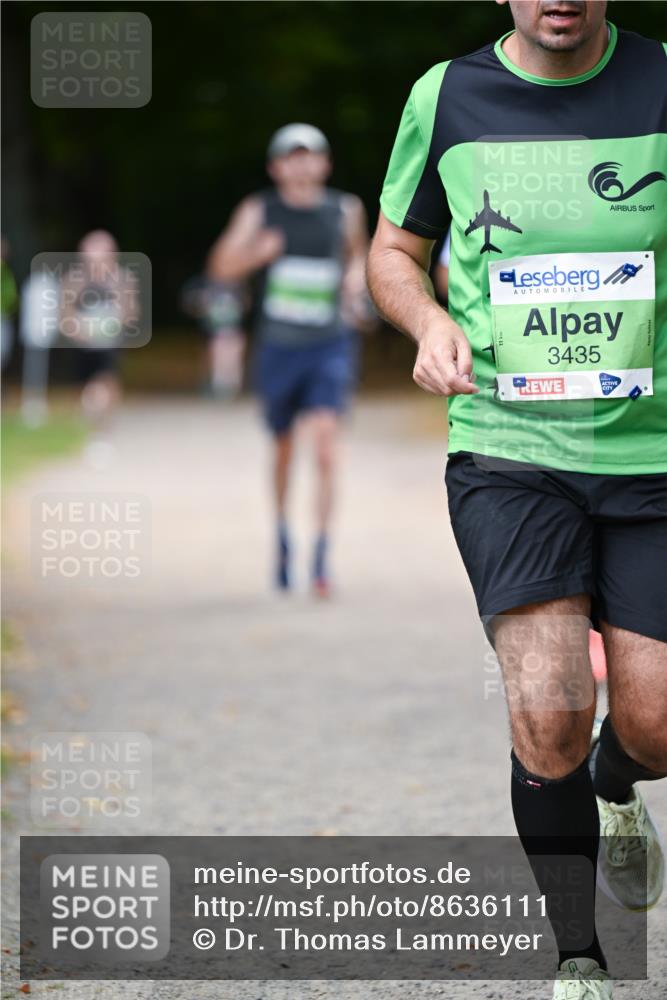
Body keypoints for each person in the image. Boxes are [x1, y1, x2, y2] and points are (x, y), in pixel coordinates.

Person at [367, 3, 666, 997]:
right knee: (545, 706)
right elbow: (392, 252)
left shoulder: (662, 82)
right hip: (509, 447)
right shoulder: (446, 96)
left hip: (654, 454)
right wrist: (425, 325)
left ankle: (615, 777)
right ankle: (578, 955)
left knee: (656, 720)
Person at [208, 123, 369, 595]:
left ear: (325, 163)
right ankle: (282, 536)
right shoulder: (259, 210)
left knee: (324, 443)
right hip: (279, 347)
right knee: (282, 449)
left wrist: (355, 281)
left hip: (329, 342)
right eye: (291, 157)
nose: (301, 165)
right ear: (276, 167)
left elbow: (357, 257)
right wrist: (257, 254)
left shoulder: (345, 209)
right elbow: (220, 266)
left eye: (310, 156)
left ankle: (320, 554)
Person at [60, 229, 139, 426]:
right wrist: (76, 330)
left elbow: (131, 312)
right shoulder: (74, 280)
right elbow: (64, 313)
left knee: (106, 381)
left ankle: (105, 424)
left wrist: (114, 324)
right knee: (81, 387)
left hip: (109, 343)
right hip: (82, 344)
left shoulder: (123, 279)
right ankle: (86, 424)